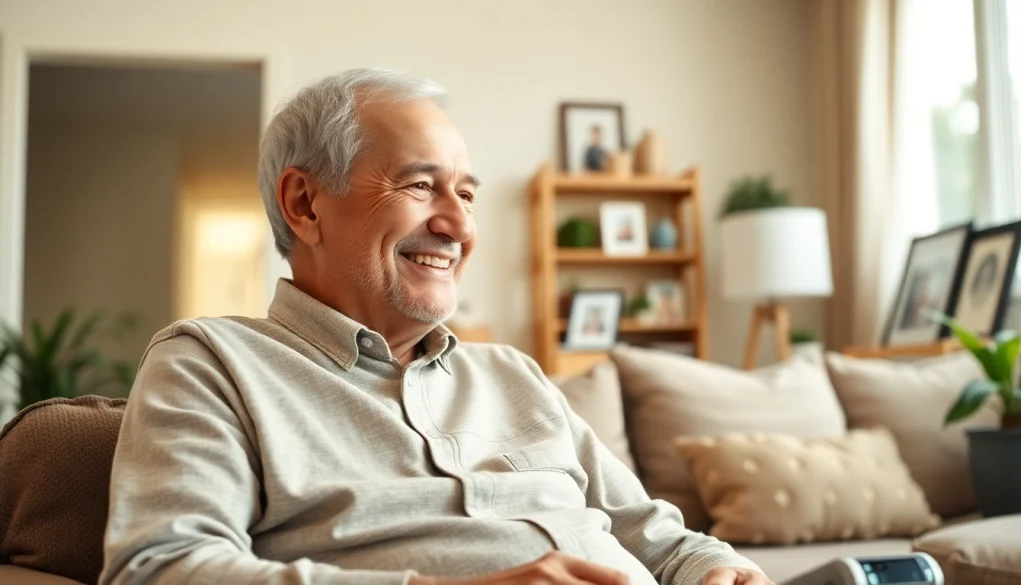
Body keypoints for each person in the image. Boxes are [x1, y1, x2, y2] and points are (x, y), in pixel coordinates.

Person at [100, 69, 768, 585]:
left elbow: (659, 536)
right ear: (305, 204)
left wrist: (714, 567)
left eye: (467, 194)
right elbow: (161, 568)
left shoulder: (511, 373)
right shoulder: (211, 364)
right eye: (422, 186)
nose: (460, 225)